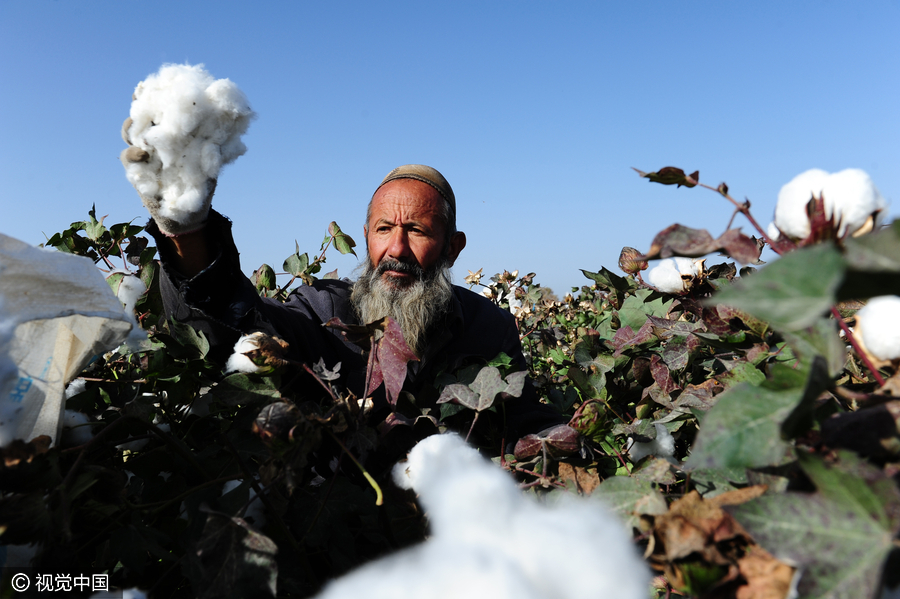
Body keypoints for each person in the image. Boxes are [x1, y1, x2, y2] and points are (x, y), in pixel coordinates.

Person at [129, 157, 563, 442]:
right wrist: (185, 227)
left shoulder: (490, 328)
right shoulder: (324, 312)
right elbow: (240, 328)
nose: (396, 249)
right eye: (383, 230)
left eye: (416, 230)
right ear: (365, 239)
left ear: (453, 247)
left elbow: (520, 425)